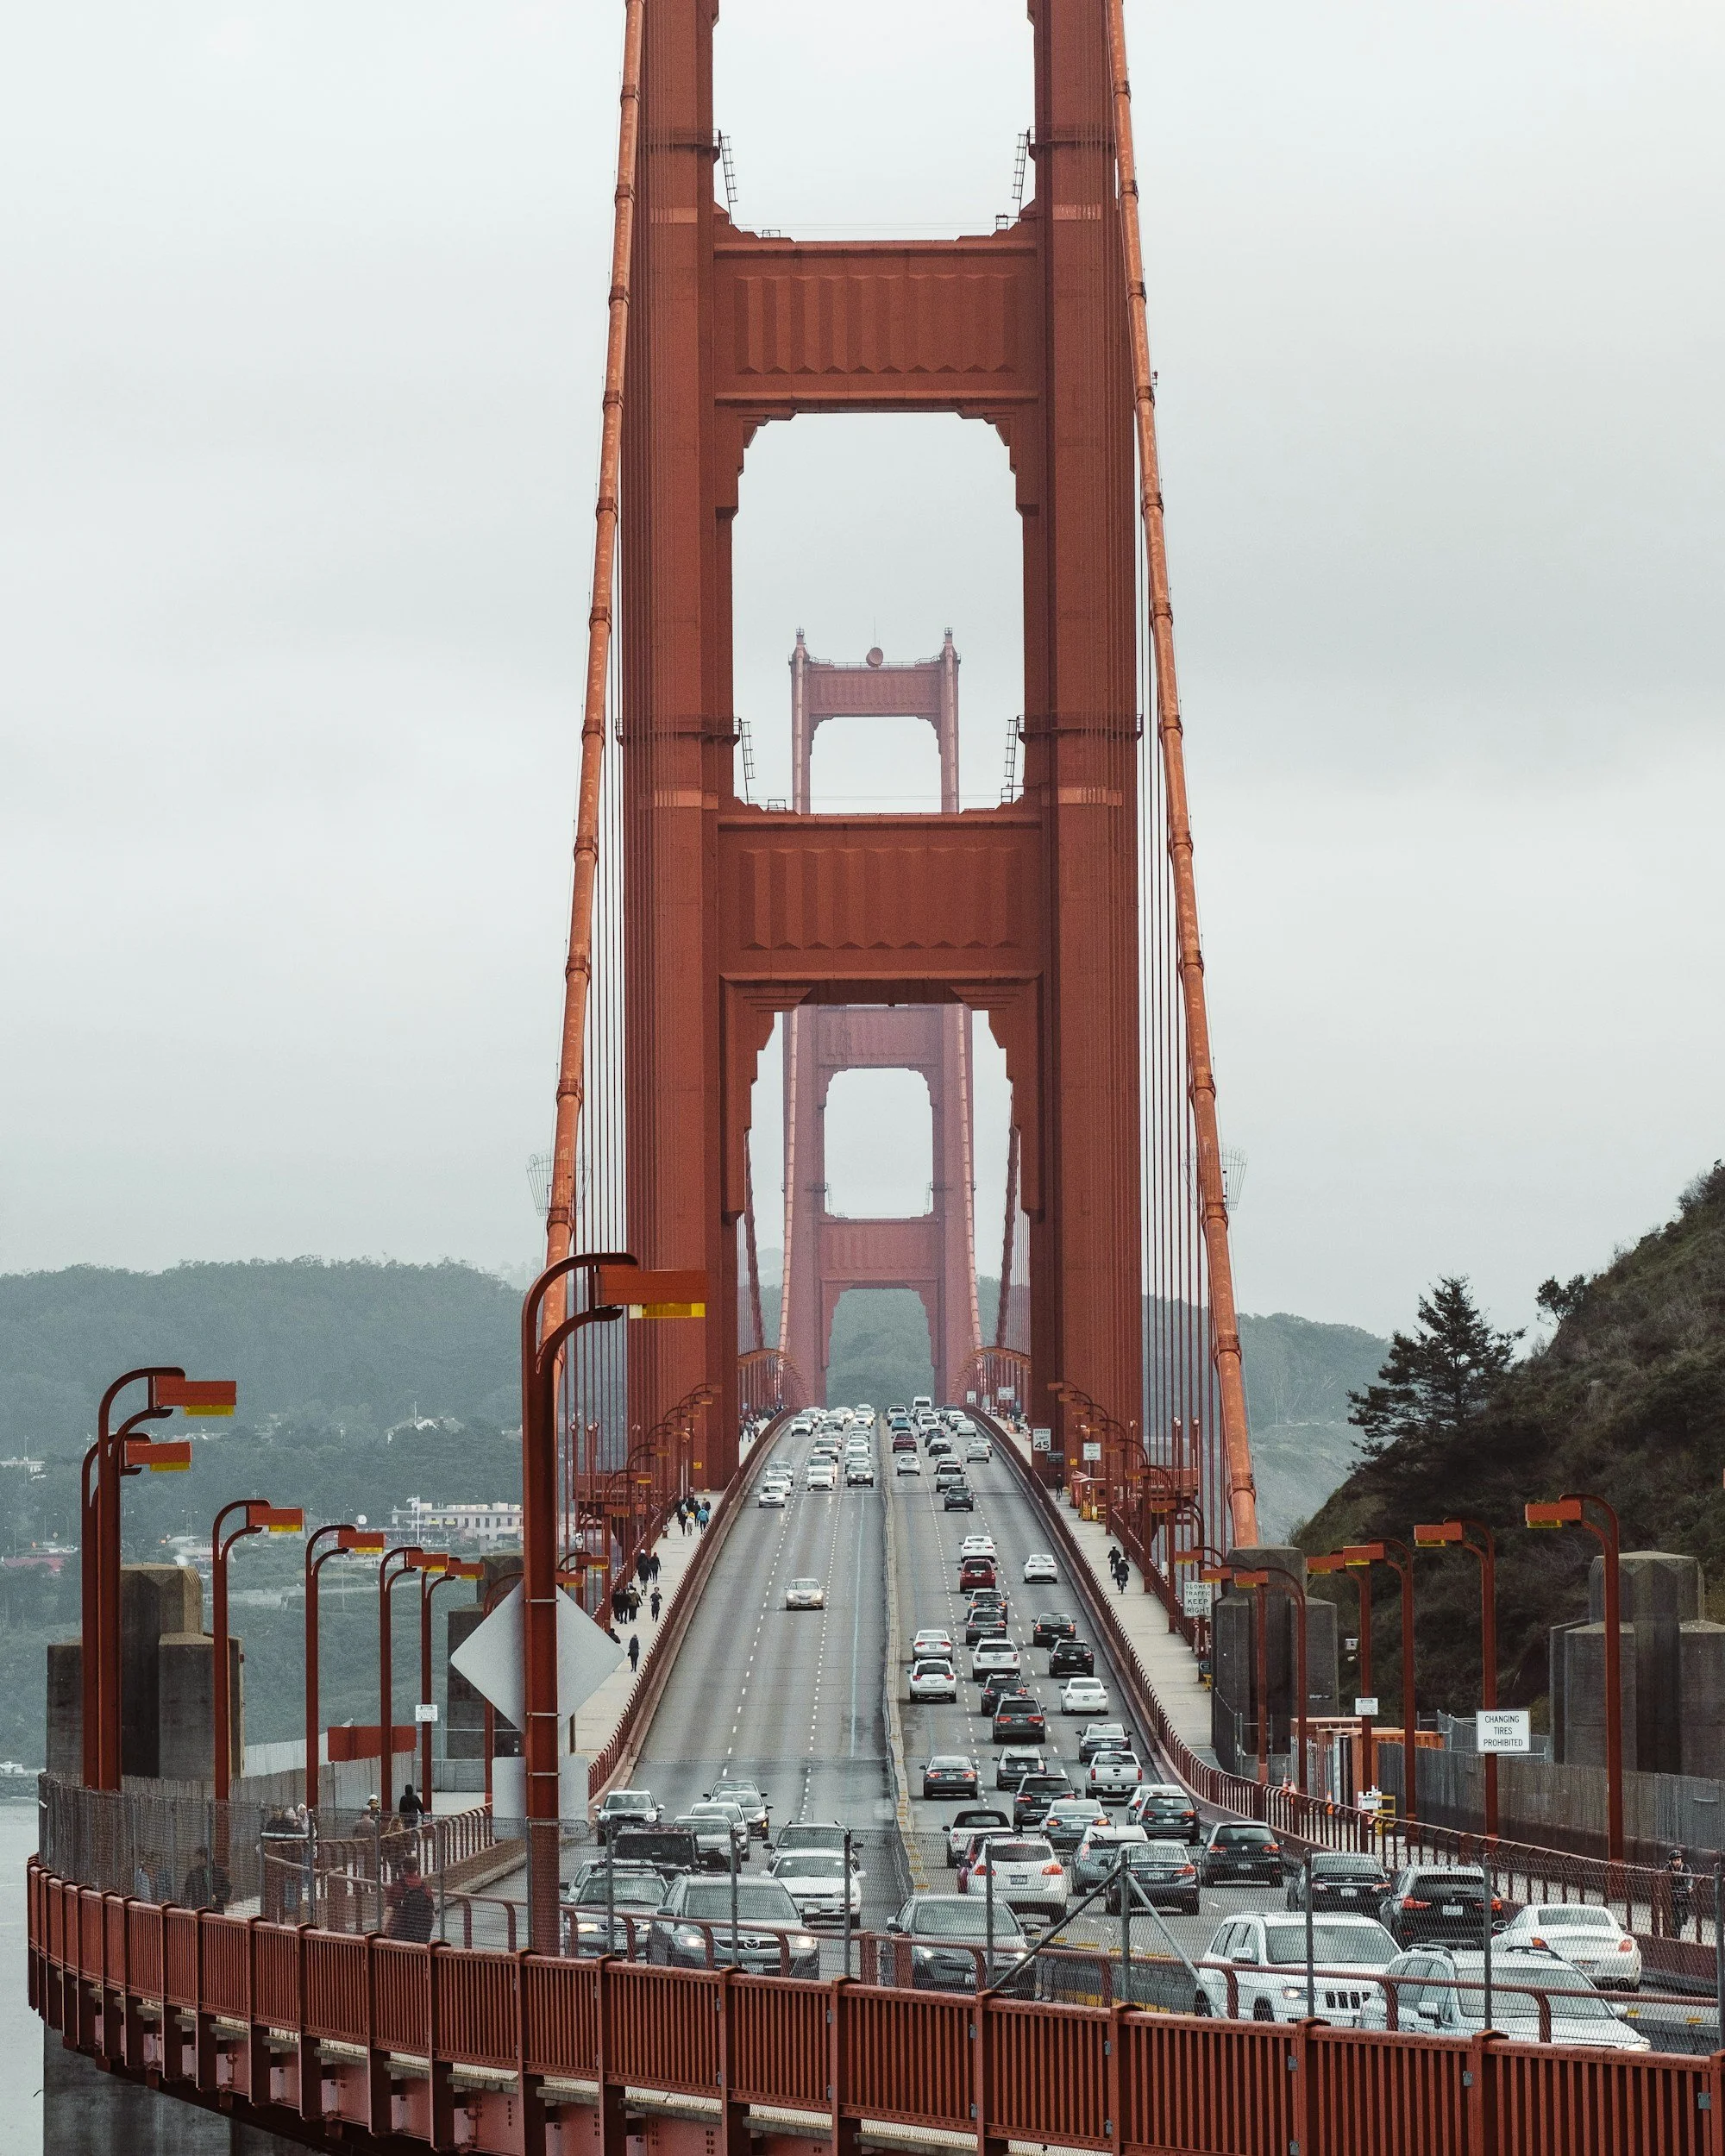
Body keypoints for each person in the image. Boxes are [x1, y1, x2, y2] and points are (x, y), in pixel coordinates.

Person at [388, 1858, 436, 1943]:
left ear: (403, 1868)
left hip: (401, 1933)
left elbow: (390, 1911)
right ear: (417, 1868)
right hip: (421, 1934)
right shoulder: (425, 1887)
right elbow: (432, 1913)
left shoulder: (398, 1886)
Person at [182, 1844, 231, 1912]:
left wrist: (217, 1896)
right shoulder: (193, 1874)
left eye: (201, 1857)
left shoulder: (219, 1873)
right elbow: (187, 1892)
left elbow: (227, 1890)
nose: (199, 1860)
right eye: (198, 1858)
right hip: (199, 1910)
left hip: (216, 1910)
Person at [1666, 1848, 1694, 1938]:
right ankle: (1675, 1931)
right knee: (1674, 1913)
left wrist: (1689, 1887)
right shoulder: (1668, 1868)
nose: (1677, 1862)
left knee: (1684, 1912)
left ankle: (1682, 1920)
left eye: (1678, 1860)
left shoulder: (1686, 1867)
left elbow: (1690, 1878)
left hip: (1683, 1890)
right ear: (1671, 1861)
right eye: (1675, 1860)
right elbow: (1664, 1879)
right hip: (1672, 1890)